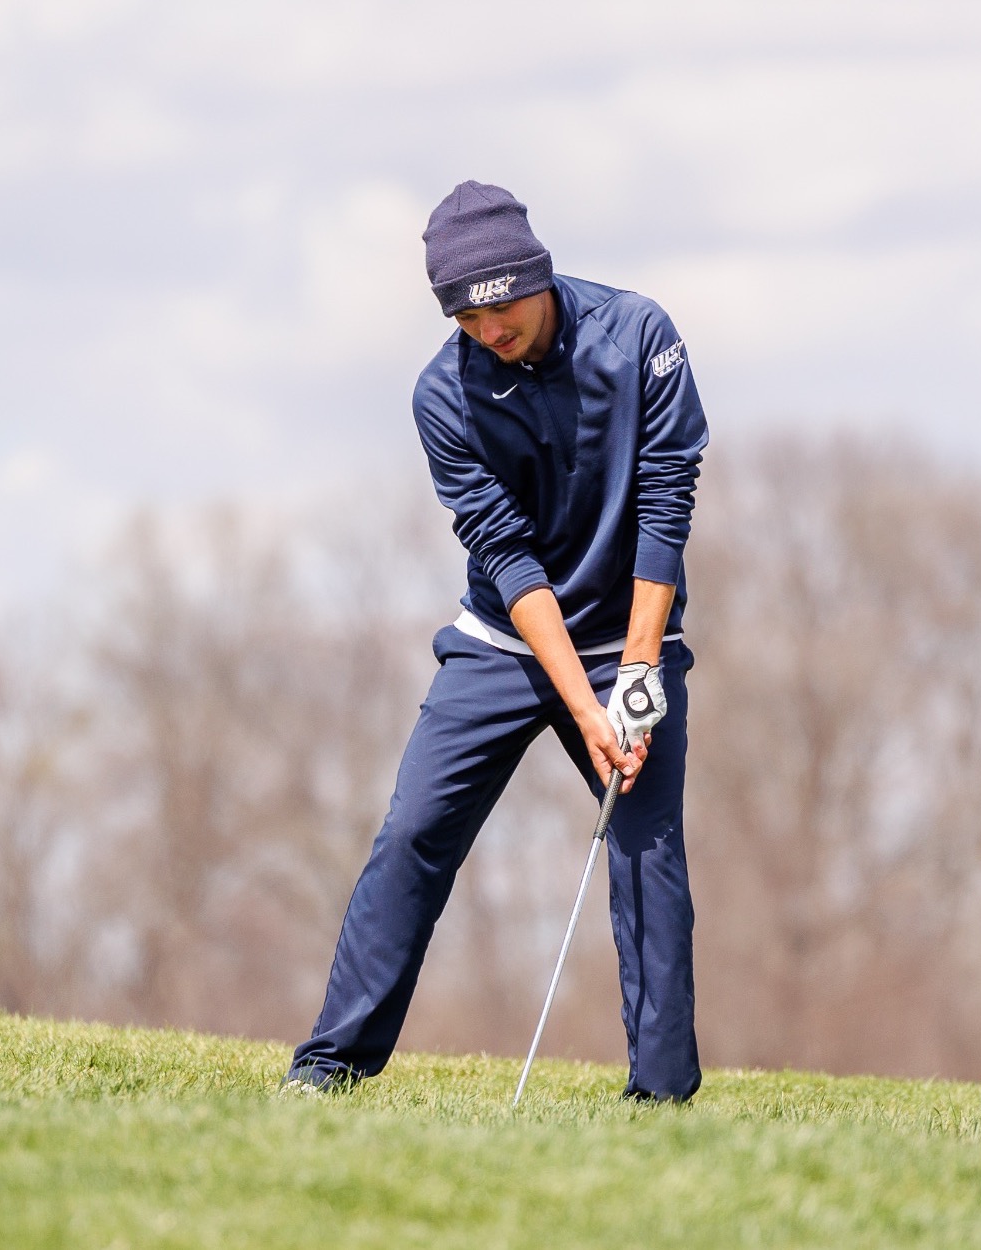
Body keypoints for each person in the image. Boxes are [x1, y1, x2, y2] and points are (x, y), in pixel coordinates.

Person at [283, 180, 709, 1102]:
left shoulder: (640, 336)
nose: (487, 330)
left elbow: (665, 499)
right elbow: (507, 558)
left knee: (645, 846)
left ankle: (661, 1098)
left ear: (537, 275)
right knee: (413, 834)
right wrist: (576, 700)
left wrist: (634, 674)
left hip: (628, 636)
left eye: (500, 306)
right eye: (462, 317)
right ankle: (329, 1068)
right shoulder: (445, 394)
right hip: (505, 642)